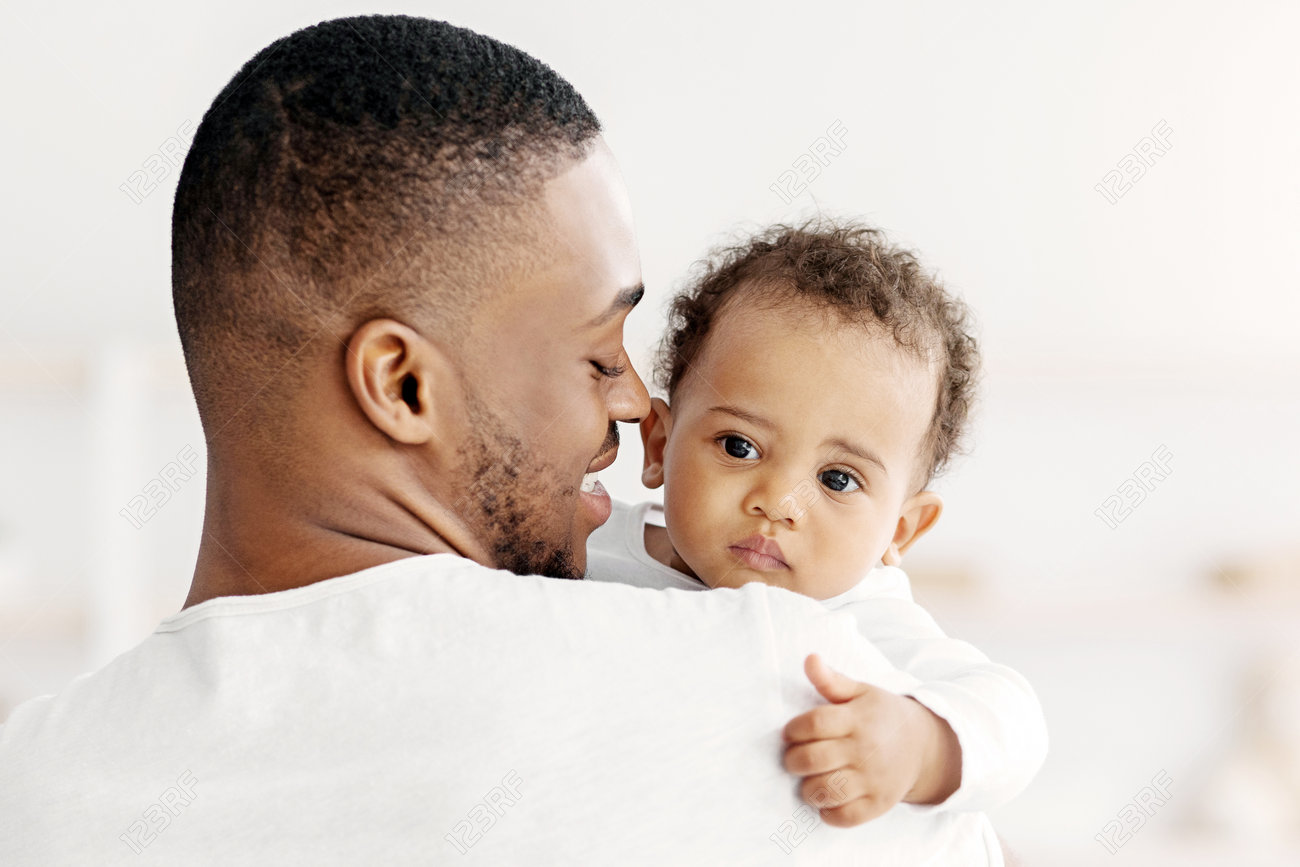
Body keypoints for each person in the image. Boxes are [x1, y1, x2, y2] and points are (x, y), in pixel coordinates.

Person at [0, 15, 1006, 864]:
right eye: (598, 355)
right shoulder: (795, 693)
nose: (635, 405)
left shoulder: (33, 791)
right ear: (402, 385)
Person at [587, 220, 1049, 826]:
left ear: (901, 531)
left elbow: (1014, 722)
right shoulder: (588, 547)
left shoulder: (868, 619)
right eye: (739, 446)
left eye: (838, 479)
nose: (780, 502)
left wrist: (917, 746)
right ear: (659, 446)